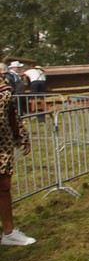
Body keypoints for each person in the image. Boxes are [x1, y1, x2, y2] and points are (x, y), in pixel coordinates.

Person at [0, 70, 33, 246]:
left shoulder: (2, 79)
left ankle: (9, 232)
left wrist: (21, 133)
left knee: (4, 185)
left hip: (3, 141)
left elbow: (11, 110)